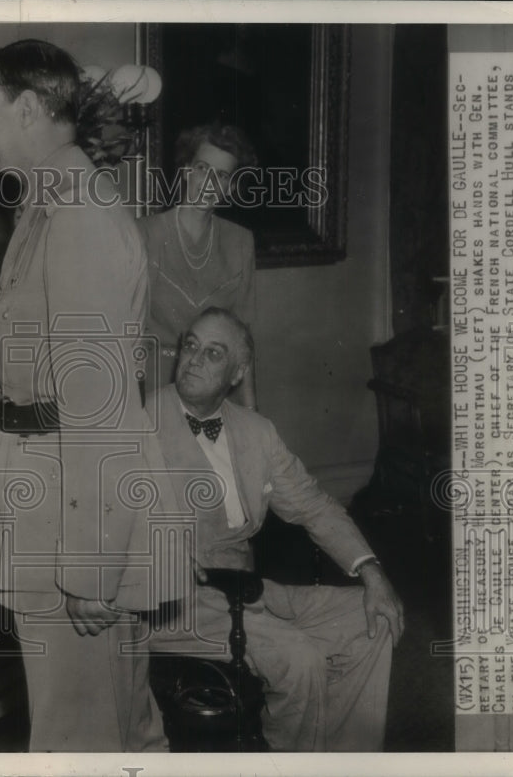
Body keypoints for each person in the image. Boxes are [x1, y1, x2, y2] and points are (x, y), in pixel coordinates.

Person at [0, 39, 184, 752]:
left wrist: (91, 570)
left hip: (78, 537)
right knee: (121, 736)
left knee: (78, 745)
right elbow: (32, 400)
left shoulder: (78, 219)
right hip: (61, 512)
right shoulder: (48, 209)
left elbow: (95, 408)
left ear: (30, 109)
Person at [146, 307, 404, 751]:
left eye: (213, 353)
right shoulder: (140, 425)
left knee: (372, 621)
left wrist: (372, 571)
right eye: (191, 345)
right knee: (297, 658)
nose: (194, 359)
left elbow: (313, 505)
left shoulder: (256, 432)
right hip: (174, 601)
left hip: (245, 591)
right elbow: (113, 521)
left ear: (237, 372)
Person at [138, 123, 258, 407]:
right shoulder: (144, 234)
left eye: (222, 175)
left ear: (230, 187)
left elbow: (244, 341)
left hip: (214, 391)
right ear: (186, 170)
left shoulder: (240, 241)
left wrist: (250, 411)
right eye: (203, 168)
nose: (210, 183)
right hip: (154, 389)